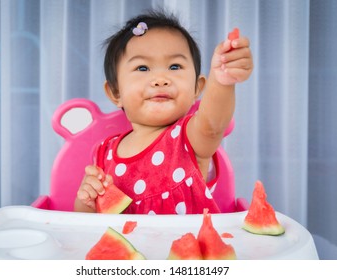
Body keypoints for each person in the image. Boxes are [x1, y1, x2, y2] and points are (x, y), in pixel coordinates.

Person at [74, 10, 253, 214]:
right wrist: (86, 200)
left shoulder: (189, 138)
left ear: (197, 87)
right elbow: (88, 222)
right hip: (128, 246)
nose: (160, 78)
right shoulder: (103, 153)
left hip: (187, 244)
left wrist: (222, 81)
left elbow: (212, 126)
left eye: (175, 66)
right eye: (142, 68)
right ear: (116, 92)